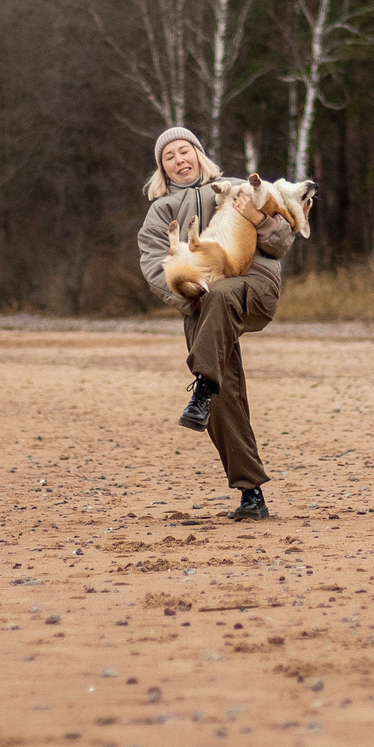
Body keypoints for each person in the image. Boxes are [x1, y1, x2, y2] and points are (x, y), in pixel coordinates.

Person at [134, 126, 300, 522]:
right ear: (162, 169)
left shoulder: (238, 188)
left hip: (253, 285)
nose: (179, 159)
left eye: (184, 150)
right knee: (223, 398)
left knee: (222, 297)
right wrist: (187, 297)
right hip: (200, 301)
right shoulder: (160, 212)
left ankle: (202, 385)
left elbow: (283, 241)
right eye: (169, 156)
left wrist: (258, 217)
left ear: (198, 153)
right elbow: (154, 266)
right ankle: (251, 495)